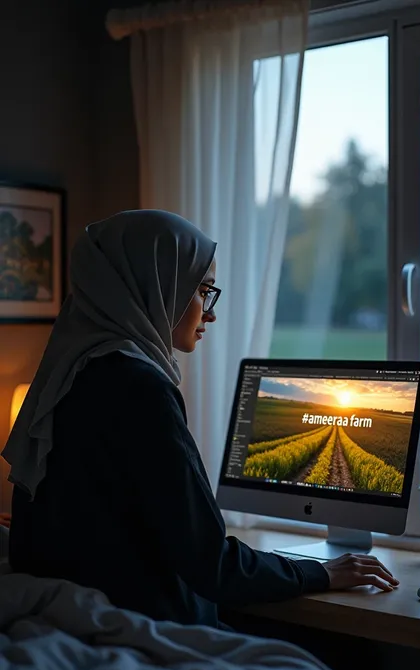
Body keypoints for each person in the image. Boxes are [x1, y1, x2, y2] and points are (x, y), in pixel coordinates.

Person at [1, 210, 398, 627]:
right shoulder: (140, 389)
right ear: (156, 286)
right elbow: (209, 563)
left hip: (77, 608)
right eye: (202, 290)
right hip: (146, 620)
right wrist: (322, 572)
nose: (209, 313)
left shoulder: (67, 373)